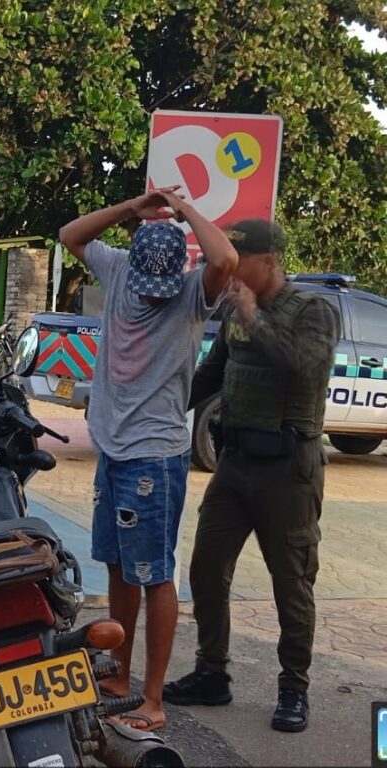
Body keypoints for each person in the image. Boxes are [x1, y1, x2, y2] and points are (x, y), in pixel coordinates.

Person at [58, 185, 237, 731]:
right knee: (117, 565)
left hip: (155, 458)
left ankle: (152, 697)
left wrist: (182, 210)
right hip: (113, 449)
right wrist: (131, 207)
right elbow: (69, 234)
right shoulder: (116, 270)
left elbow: (225, 257)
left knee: (155, 575)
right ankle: (118, 672)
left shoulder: (192, 291)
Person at [163, 220, 340, 733]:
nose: (234, 270)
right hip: (234, 465)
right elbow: (213, 372)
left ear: (270, 260)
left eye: (243, 261)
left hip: (289, 471)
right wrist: (158, 405)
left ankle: (293, 690)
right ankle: (211, 673)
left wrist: (252, 316)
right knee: (206, 570)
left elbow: (305, 367)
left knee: (292, 584)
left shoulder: (312, 311)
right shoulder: (236, 309)